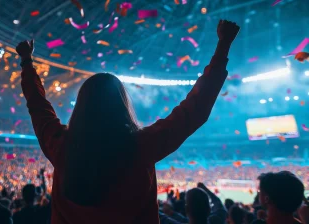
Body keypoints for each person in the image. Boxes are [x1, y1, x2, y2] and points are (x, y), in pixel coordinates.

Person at [16, 19, 240, 224]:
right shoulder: (142, 146)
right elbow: (195, 110)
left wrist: (27, 62)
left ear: (82, 107)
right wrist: (223, 47)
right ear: (122, 105)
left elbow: (37, 105)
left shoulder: (60, 145)